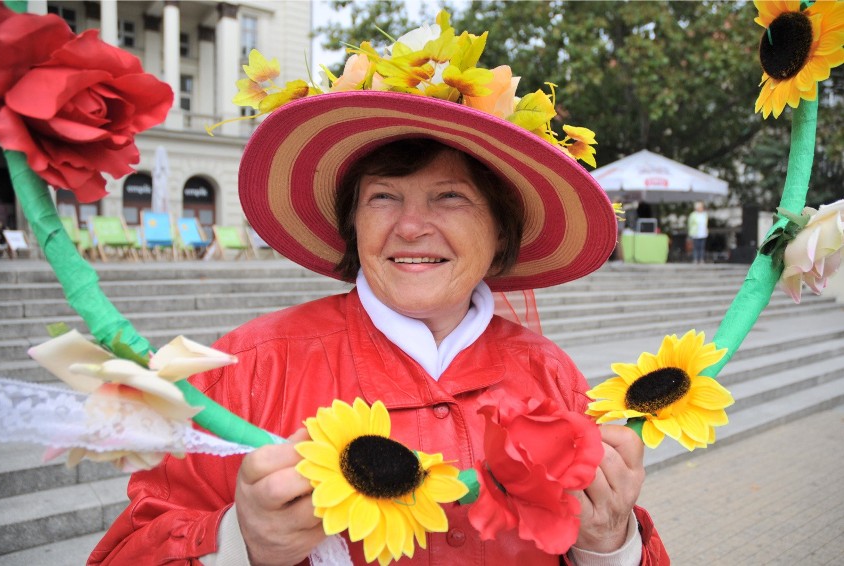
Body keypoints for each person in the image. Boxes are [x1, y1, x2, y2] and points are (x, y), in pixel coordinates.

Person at [89, 75, 667, 566]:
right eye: (384, 197)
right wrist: (237, 543)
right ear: (353, 225)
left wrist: (607, 545)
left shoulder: (552, 378)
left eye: (450, 197)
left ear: (499, 233)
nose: (411, 227)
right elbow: (126, 548)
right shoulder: (247, 372)